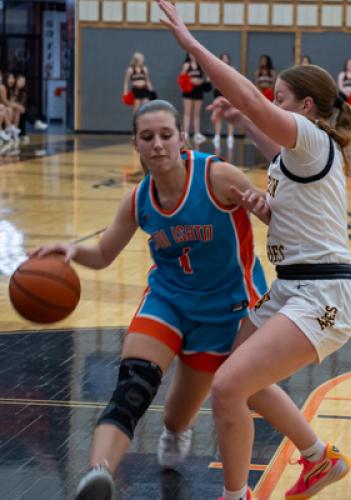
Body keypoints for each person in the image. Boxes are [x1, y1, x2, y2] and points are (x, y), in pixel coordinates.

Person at [158, 2, 351, 500]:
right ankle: (319, 458)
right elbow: (275, 158)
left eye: (281, 98)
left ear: (307, 107)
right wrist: (266, 210)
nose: (272, 103)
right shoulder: (299, 154)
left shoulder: (311, 138)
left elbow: (249, 98)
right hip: (293, 285)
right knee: (230, 370)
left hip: (322, 296)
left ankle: (235, 496)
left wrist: (192, 45)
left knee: (227, 387)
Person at [30, 99, 267, 500]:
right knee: (133, 387)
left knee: (176, 418)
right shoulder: (139, 200)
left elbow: (274, 217)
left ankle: (176, 431)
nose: (157, 144)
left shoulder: (217, 176)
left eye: (165, 135)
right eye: (147, 137)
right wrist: (69, 250)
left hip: (223, 310)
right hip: (168, 301)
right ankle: (97, 475)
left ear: (182, 139)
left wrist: (267, 207)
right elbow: (104, 253)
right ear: (136, 145)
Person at [180, 52, 207, 144]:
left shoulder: (200, 65)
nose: (193, 55)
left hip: (198, 90)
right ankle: (186, 133)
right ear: (188, 55)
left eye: (194, 53)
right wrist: (190, 81)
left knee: (197, 113)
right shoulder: (187, 65)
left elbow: (203, 77)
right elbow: (181, 78)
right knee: (187, 112)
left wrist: (200, 81)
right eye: (191, 53)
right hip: (188, 90)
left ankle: (197, 133)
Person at [212, 53, 235, 150]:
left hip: (229, 93)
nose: (225, 60)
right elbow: (214, 83)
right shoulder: (216, 69)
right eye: (223, 59)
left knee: (229, 115)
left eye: (226, 58)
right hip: (218, 93)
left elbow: (234, 82)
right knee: (218, 114)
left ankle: (230, 136)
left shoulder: (232, 69)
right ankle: (217, 136)